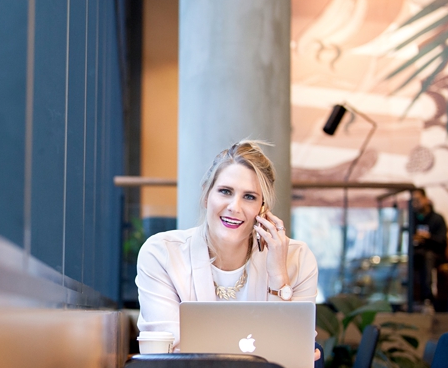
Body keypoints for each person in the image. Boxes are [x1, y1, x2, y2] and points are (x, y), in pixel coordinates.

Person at [135, 140, 319, 354]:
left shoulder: (297, 259)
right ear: (206, 195)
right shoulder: (162, 254)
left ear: (262, 209)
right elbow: (166, 352)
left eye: (249, 197)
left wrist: (279, 277)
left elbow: (293, 356)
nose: (234, 207)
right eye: (225, 191)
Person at [411, 188, 448, 305]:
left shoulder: (437, 218)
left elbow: (442, 242)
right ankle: (407, 298)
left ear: (426, 199)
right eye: (413, 201)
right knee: (408, 258)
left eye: (417, 200)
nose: (415, 203)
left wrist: (428, 238)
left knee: (428, 257)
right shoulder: (412, 219)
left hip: (435, 254)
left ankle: (427, 299)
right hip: (417, 253)